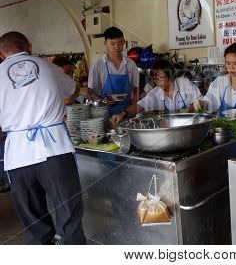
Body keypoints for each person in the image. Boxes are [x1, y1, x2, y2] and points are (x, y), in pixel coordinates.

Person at [0, 31, 86, 244]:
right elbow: (74, 91)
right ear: (29, 47)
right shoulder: (47, 66)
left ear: (2, 55)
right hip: (55, 150)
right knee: (70, 215)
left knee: (34, 223)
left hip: (18, 157)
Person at [110, 59, 202, 126]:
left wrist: (187, 110)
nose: (158, 82)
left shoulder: (184, 84)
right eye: (155, 79)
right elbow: (140, 105)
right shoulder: (155, 93)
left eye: (161, 78)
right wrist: (123, 113)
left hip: (191, 126)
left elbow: (200, 102)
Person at [87, 27, 139, 116]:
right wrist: (102, 101)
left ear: (124, 42)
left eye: (120, 43)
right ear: (105, 44)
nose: (117, 47)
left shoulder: (131, 64)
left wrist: (134, 109)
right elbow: (90, 93)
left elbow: (136, 89)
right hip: (104, 113)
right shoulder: (97, 65)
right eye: (112, 44)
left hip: (126, 112)